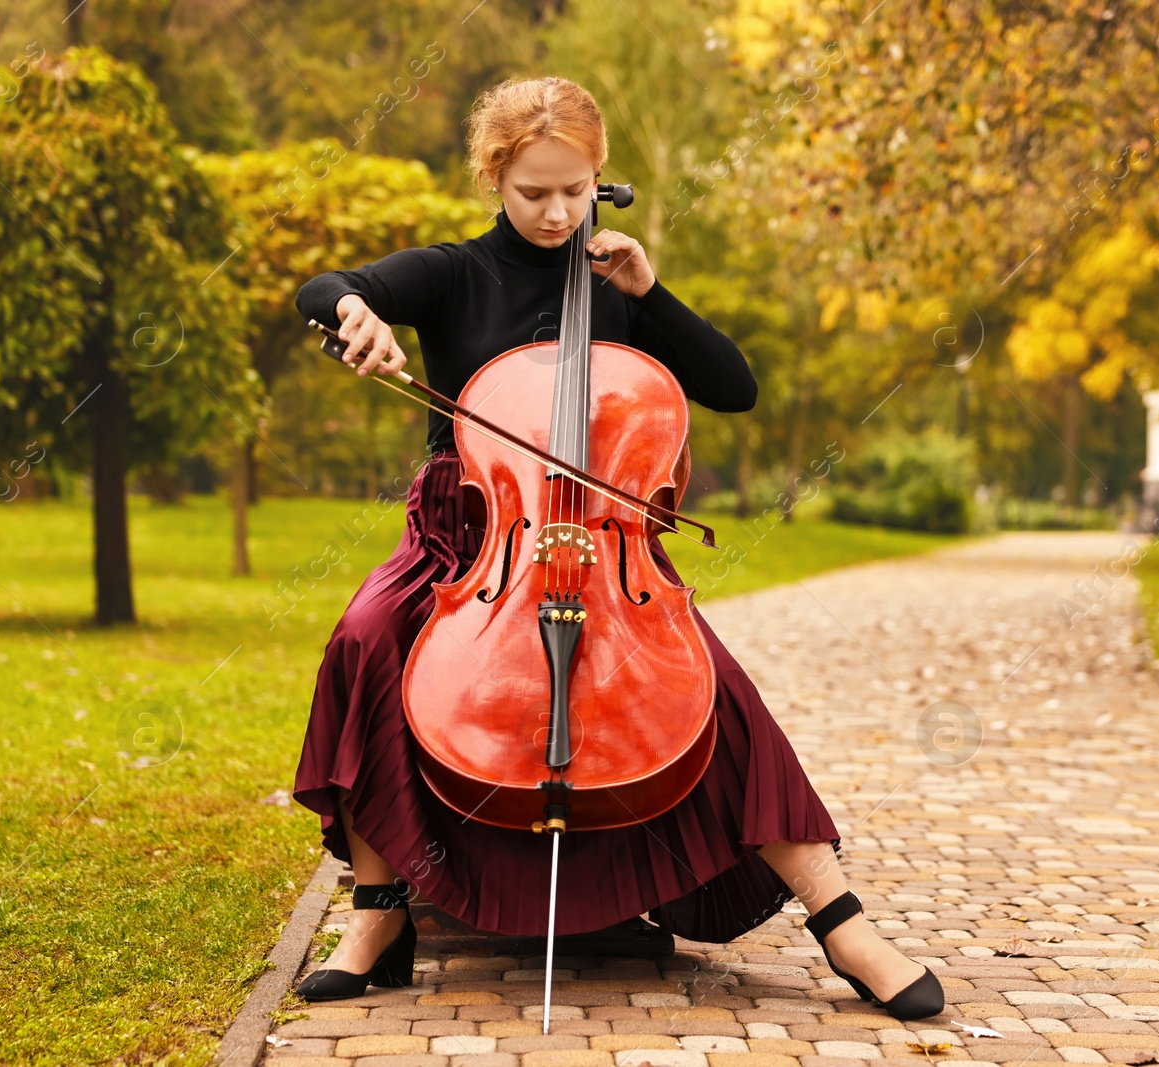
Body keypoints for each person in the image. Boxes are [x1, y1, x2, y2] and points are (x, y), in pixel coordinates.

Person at [288, 76, 942, 1021]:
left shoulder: (615, 277)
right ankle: (380, 913)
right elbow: (326, 287)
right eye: (534, 193)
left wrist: (652, 293)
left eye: (576, 189)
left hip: (605, 549)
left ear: (601, 177)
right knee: (365, 637)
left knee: (712, 689)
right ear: (495, 181)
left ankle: (841, 918)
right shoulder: (452, 272)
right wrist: (356, 312)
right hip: (470, 534)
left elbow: (735, 386)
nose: (558, 213)